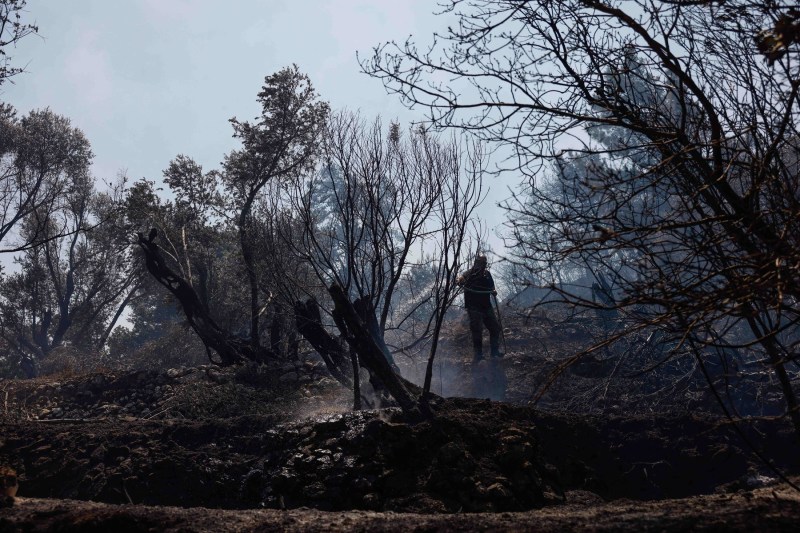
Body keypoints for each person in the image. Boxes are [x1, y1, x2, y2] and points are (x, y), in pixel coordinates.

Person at [457, 255, 502, 362]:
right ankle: (478, 355)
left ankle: (494, 352)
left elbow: (492, 287)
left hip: (486, 306)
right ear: (476, 262)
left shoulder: (487, 274)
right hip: (474, 308)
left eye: (484, 263)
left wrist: (494, 291)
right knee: (477, 330)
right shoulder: (469, 274)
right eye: (480, 263)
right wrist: (459, 280)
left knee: (495, 328)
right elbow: (461, 278)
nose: (482, 265)